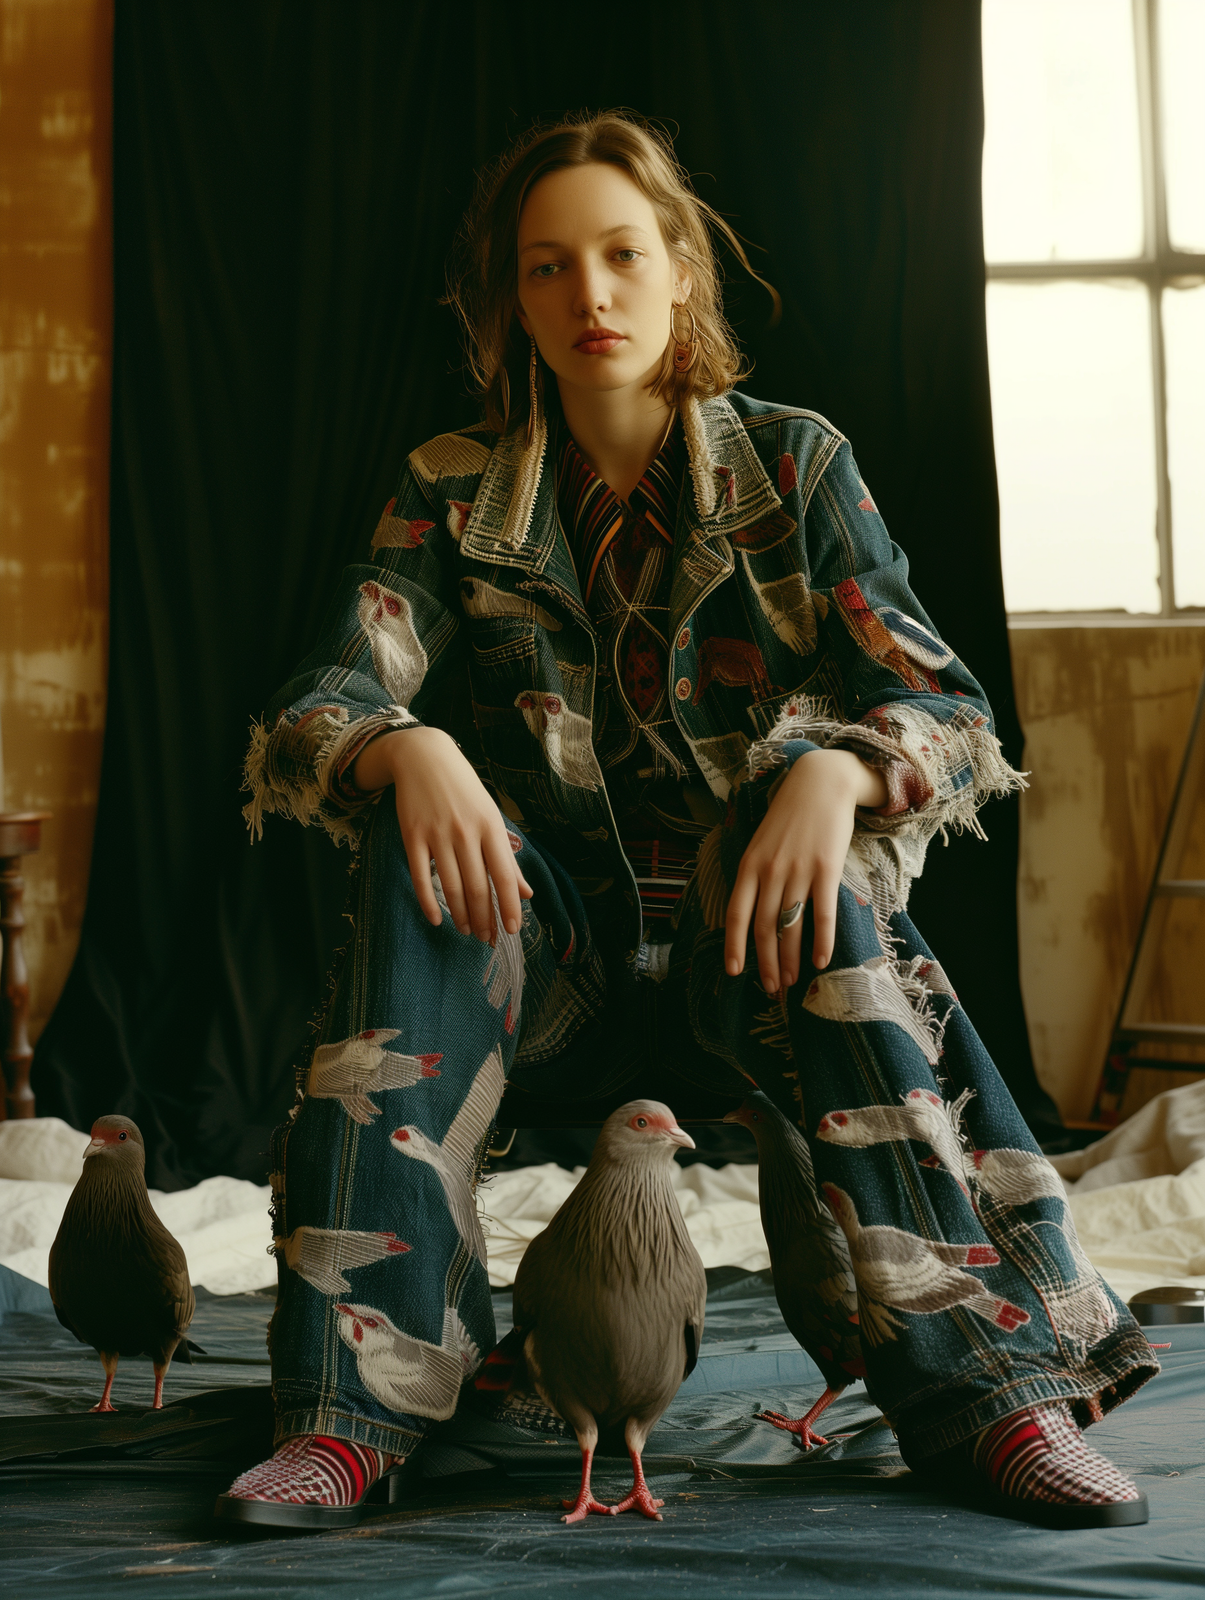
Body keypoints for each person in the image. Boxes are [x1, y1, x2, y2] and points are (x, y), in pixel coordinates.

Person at [217, 112, 1156, 1529]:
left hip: (757, 954)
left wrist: (835, 772)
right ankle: (354, 1414)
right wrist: (403, 746)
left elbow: (951, 716)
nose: (589, 296)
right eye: (547, 268)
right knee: (417, 863)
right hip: (557, 977)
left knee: (829, 874)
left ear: (679, 271)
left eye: (619, 254)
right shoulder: (451, 485)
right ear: (510, 302)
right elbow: (324, 699)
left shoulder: (793, 466)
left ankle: (988, 1396)